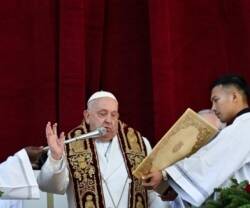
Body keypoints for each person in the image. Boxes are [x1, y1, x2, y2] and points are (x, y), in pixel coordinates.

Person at [37, 91, 170, 208]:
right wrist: (55, 158)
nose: (109, 120)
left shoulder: (139, 143)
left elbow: (152, 192)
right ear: (87, 116)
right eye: (102, 114)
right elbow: (51, 187)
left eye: (113, 115)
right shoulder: (68, 144)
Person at [142, 74, 250, 207]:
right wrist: (174, 188)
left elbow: (209, 160)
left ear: (234, 96)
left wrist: (166, 175)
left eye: (216, 100)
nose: (213, 108)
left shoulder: (244, 127)